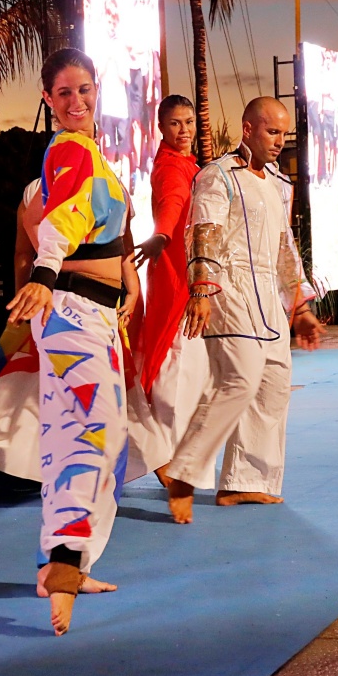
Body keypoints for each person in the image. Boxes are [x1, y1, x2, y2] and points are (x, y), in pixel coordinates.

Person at [6, 48, 138, 637]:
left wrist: (130, 280)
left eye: (85, 90)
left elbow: (112, 234)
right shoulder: (69, 150)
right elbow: (65, 219)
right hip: (71, 313)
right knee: (91, 431)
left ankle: (67, 562)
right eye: (64, 93)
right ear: (47, 99)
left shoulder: (88, 155)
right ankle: (63, 563)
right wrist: (42, 272)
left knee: (86, 440)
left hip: (95, 317)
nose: (77, 102)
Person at [161, 96, 325, 525]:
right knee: (238, 380)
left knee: (273, 383)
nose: (280, 141)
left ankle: (244, 481)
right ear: (248, 129)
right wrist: (201, 288)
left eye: (284, 134)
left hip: (269, 298)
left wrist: (301, 304)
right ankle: (183, 472)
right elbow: (204, 231)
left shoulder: (277, 182)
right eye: (273, 131)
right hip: (229, 292)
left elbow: (285, 247)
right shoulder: (217, 175)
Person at [133, 94, 209, 476]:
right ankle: (170, 463)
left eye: (189, 122)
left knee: (187, 368)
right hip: (176, 274)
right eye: (175, 124)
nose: (184, 130)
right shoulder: (171, 169)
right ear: (161, 128)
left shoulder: (187, 164)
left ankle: (176, 462)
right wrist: (161, 235)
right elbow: (172, 205)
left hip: (185, 270)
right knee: (175, 365)